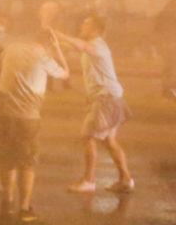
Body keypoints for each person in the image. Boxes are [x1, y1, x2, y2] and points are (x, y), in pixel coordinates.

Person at [51, 15, 134, 193]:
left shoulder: (98, 45)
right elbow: (71, 46)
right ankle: (126, 179)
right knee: (110, 141)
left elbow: (80, 45)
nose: (82, 25)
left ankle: (89, 181)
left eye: (86, 24)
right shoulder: (93, 46)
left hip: (106, 99)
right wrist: (54, 40)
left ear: (96, 29)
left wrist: (58, 34)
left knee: (88, 137)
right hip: (110, 98)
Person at [0, 29, 69, 221]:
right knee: (27, 163)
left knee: (7, 160)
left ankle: (7, 202)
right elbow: (65, 73)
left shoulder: (11, 49)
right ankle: (24, 207)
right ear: (48, 43)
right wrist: (57, 49)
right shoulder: (43, 56)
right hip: (28, 117)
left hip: (4, 113)